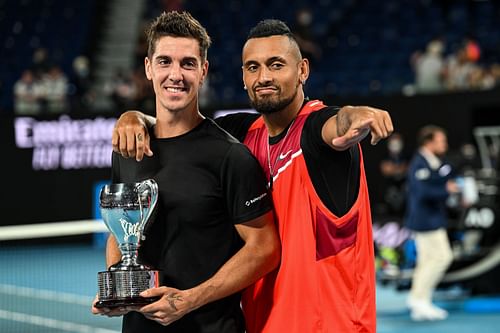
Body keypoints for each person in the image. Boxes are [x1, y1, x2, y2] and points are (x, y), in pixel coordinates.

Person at [112, 19, 393, 332]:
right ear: (243, 77)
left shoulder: (315, 131)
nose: (264, 77)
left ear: (302, 70)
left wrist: (358, 116)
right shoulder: (244, 132)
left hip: (330, 324)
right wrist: (132, 117)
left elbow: (337, 127)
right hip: (265, 324)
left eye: (276, 65)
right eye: (253, 67)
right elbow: (179, 125)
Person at [91, 11, 281, 333]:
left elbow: (265, 248)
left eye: (187, 63)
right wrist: (122, 287)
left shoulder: (230, 156)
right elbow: (121, 232)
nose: (175, 75)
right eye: (164, 62)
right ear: (149, 68)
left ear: (203, 70)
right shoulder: (129, 147)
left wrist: (188, 300)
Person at [405, 125, 458, 321]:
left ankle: (420, 301)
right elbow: (423, 193)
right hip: (426, 221)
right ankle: (418, 299)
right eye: (440, 141)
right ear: (428, 143)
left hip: (433, 218)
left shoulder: (434, 162)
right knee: (442, 258)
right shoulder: (419, 163)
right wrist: (448, 190)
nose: (444, 144)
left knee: (426, 261)